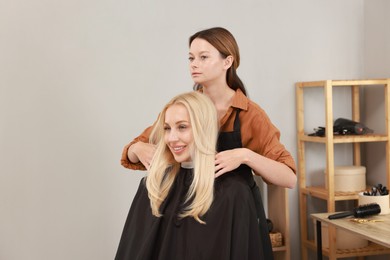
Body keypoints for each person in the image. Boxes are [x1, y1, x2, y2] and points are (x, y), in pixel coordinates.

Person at [120, 27, 297, 259]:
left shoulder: (249, 114)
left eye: (204, 57)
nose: (194, 64)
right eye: (191, 58)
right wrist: (137, 147)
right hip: (188, 204)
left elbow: (289, 177)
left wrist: (245, 155)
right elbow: (132, 153)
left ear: (228, 62)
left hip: (230, 211)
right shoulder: (185, 107)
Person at [115, 92, 264, 259]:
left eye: (182, 127)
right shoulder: (153, 186)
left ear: (204, 128)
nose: (171, 138)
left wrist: (246, 155)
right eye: (167, 128)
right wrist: (134, 148)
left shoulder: (234, 192)